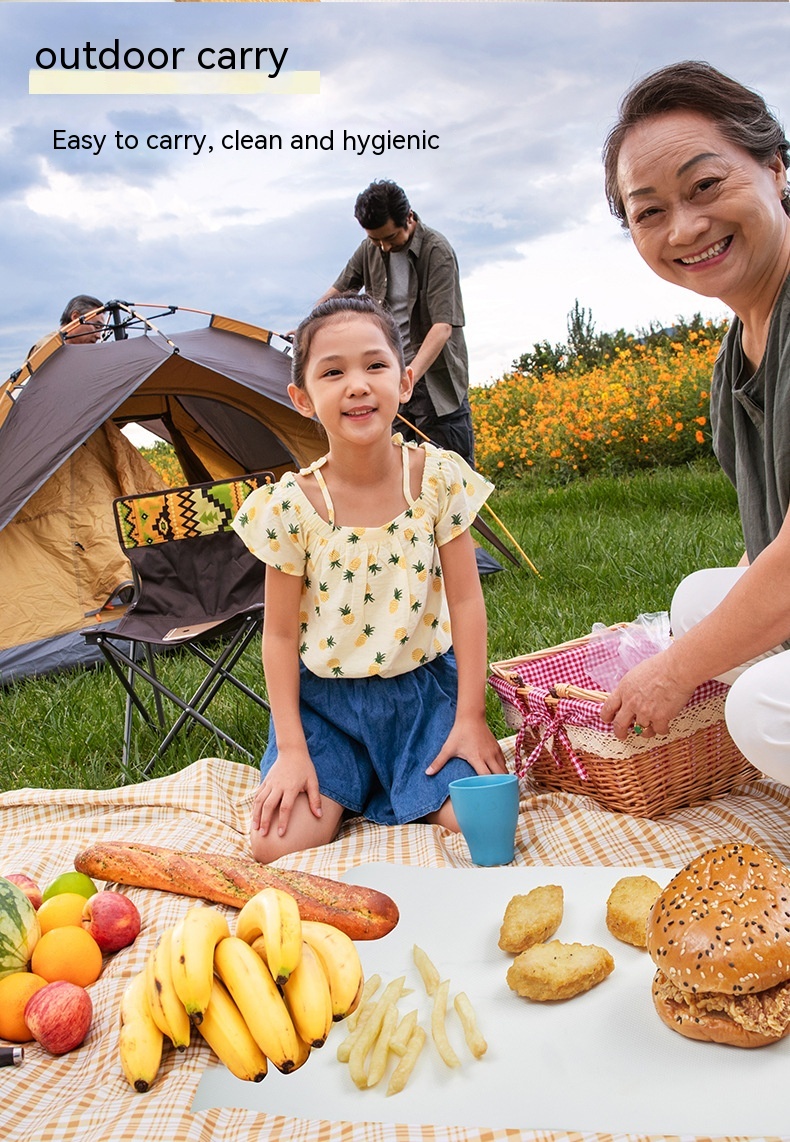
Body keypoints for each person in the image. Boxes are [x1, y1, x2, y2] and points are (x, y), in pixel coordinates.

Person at [232, 293, 506, 862]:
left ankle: (397, 782)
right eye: (333, 372)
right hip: (325, 711)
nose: (357, 384)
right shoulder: (290, 506)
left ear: (404, 382)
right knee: (272, 845)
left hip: (423, 699)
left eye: (374, 365)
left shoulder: (436, 480)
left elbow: (467, 602)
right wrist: (290, 749)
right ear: (302, 399)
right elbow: (279, 636)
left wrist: (471, 717)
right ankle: (350, 779)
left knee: (480, 820)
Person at [598, 60, 790, 784]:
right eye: (649, 211)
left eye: (705, 186)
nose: (685, 226)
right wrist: (670, 647)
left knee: (763, 713)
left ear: (774, 167)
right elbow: (769, 541)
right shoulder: (734, 356)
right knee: (697, 602)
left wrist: (675, 672)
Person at [317, 179, 475, 466]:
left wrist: (408, 377)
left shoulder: (437, 251)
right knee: (399, 473)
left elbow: (442, 328)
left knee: (453, 475)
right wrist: (310, 328)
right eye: (376, 240)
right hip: (388, 376)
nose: (383, 247)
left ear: (409, 218)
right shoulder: (370, 248)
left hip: (433, 380)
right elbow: (338, 291)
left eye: (389, 238)